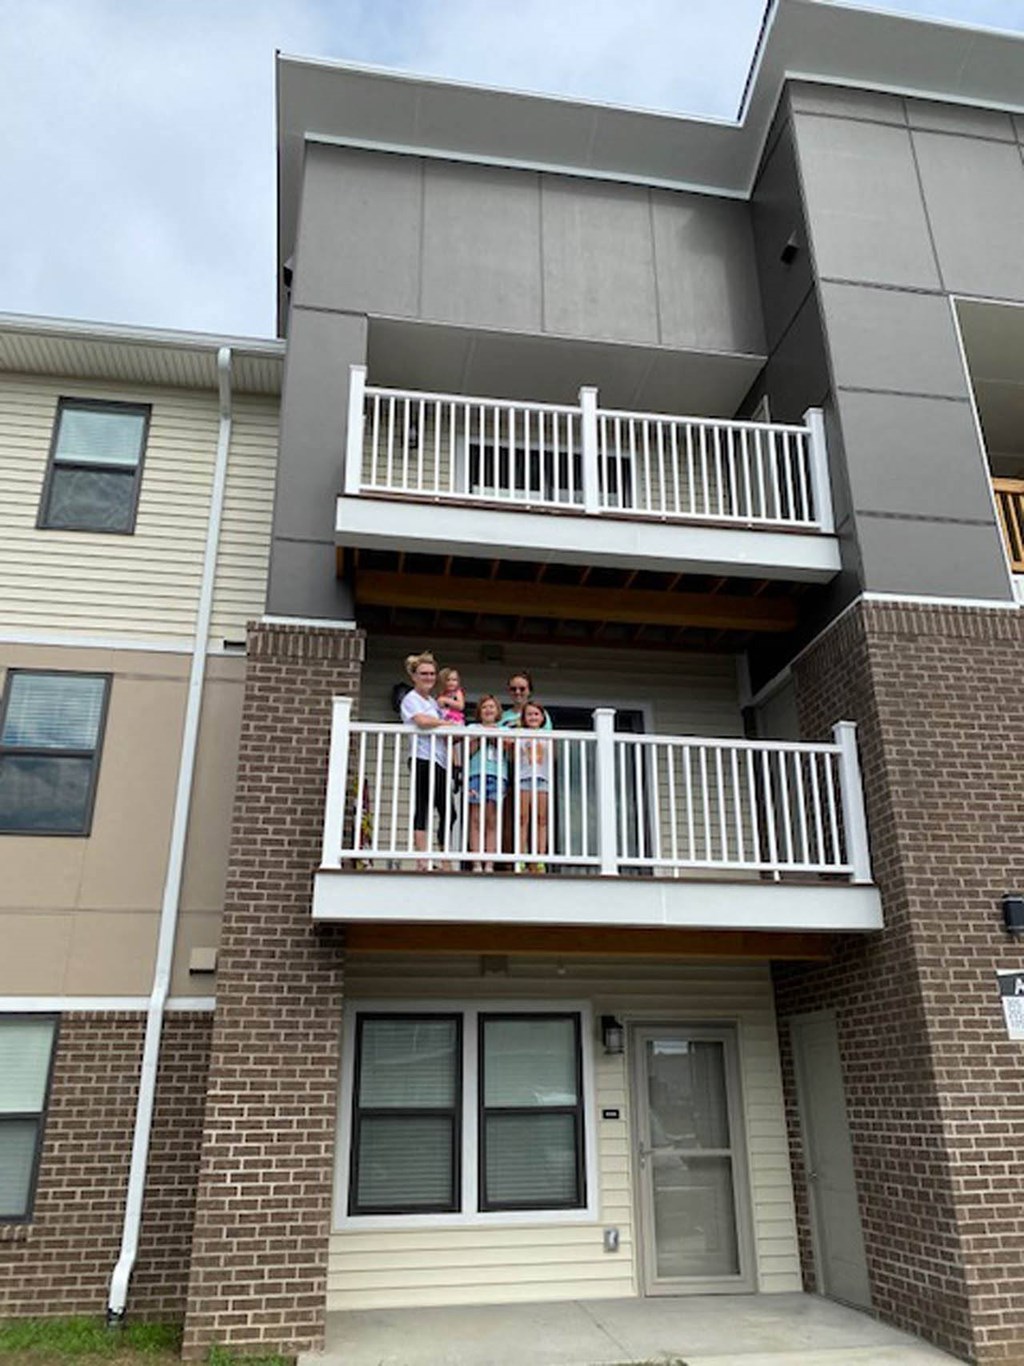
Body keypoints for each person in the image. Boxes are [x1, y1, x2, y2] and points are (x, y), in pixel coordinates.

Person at [399, 651, 455, 870]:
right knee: (423, 807)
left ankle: (444, 859)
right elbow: (421, 721)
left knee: (448, 811)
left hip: (439, 760)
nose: (428, 677)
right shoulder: (410, 699)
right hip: (422, 758)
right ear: (414, 676)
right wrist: (446, 724)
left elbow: (437, 725)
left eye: (432, 674)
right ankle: (423, 860)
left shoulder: (432, 701)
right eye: (424, 673)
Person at [466, 694, 506, 872]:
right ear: (479, 712)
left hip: (497, 776)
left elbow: (508, 749)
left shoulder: (503, 729)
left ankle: (489, 863)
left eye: (492, 707)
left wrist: (494, 736)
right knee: (475, 819)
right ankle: (476, 862)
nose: (488, 710)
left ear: (497, 711)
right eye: (484, 707)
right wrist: (481, 737)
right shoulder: (473, 728)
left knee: (492, 819)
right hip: (476, 775)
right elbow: (468, 751)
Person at [513, 700, 552, 872]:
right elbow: (515, 755)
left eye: (536, 714)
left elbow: (551, 757)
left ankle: (539, 858)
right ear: (524, 718)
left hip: (542, 779)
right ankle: (521, 857)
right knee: (523, 818)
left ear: (542, 717)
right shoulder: (520, 735)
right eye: (529, 714)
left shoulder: (548, 736)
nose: (533, 717)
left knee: (541, 819)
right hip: (524, 779)